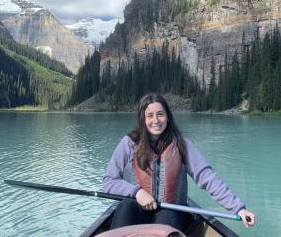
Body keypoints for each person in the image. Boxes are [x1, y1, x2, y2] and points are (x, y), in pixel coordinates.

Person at [103, 92, 255, 231]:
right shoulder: (128, 143)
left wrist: (238, 208)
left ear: (168, 117)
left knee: (165, 222)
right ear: (142, 119)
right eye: (150, 115)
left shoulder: (183, 144)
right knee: (125, 208)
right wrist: (137, 192)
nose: (155, 120)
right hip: (135, 205)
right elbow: (109, 181)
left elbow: (208, 179)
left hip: (170, 209)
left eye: (160, 114)